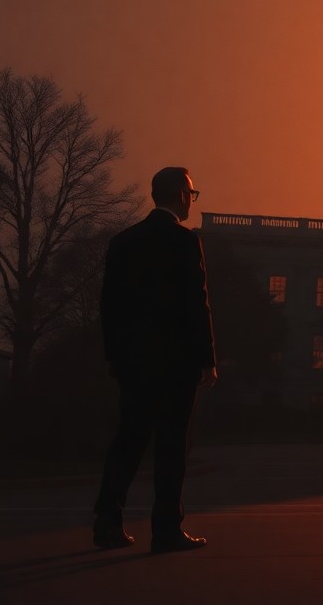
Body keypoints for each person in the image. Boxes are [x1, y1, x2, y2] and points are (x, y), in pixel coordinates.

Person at [93, 167, 217, 553]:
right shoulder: (184, 242)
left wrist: (115, 356)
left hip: (134, 362)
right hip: (176, 363)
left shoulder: (123, 241)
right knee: (171, 448)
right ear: (181, 194)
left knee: (128, 443)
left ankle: (107, 523)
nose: (191, 201)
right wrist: (207, 359)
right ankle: (165, 530)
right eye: (192, 194)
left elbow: (108, 307)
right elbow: (197, 305)